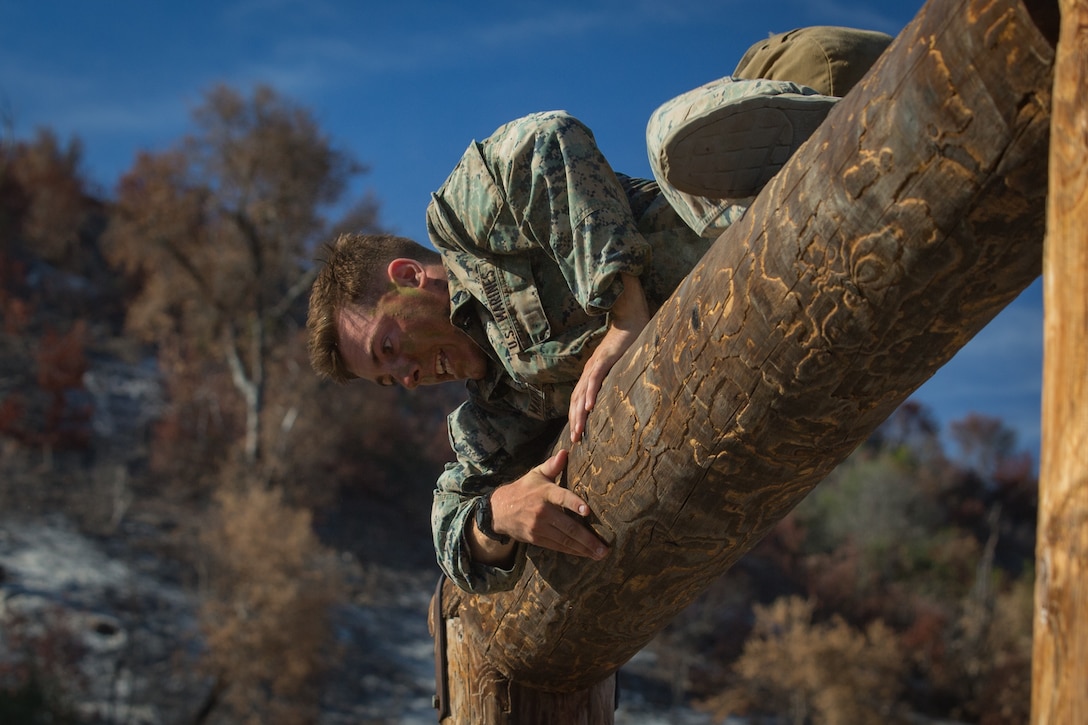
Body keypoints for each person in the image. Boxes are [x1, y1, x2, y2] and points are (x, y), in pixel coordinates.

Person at [307, 26, 892, 594]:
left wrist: (623, 312)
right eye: (389, 379)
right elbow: (449, 527)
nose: (408, 378)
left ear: (408, 278)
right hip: (787, 297)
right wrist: (498, 515)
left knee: (675, 135)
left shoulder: (466, 228)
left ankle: (844, 138)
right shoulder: (493, 413)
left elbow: (546, 142)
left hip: (760, 147)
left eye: (389, 348)